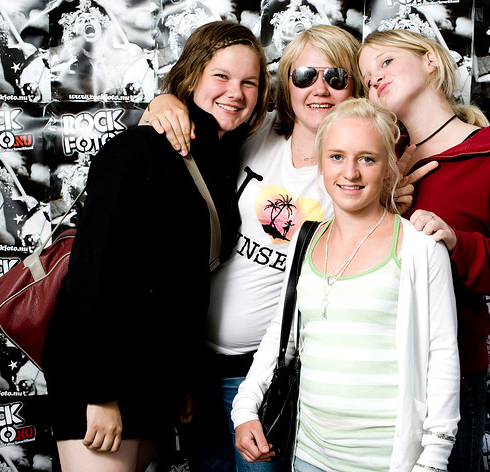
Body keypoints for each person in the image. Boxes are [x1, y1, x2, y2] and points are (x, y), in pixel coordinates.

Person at [141, 25, 431, 471]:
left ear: (354, 87)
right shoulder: (249, 134)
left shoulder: (354, 173)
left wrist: (390, 198)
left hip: (267, 375)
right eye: (305, 76)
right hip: (195, 363)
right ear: (286, 84)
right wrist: (163, 103)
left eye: (336, 77)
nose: (320, 89)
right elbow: (191, 124)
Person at [41, 21, 270, 472]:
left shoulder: (219, 164)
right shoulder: (141, 147)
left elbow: (185, 285)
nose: (236, 92)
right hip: (103, 371)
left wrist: (183, 378)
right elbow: (93, 273)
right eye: (221, 76)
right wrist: (99, 393)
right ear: (191, 77)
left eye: (250, 82)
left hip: (156, 373)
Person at [232, 97, 459, 472]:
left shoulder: (420, 247)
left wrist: (432, 462)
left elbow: (443, 358)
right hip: (308, 455)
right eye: (337, 156)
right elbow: (281, 334)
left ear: (388, 168)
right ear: (321, 164)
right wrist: (244, 407)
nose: (350, 172)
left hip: (387, 461)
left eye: (367, 159)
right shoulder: (305, 239)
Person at [359, 29, 490, 472]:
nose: (375, 79)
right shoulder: (379, 158)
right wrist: (381, 208)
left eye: (386, 62)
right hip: (372, 364)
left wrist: (457, 242)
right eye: (366, 77)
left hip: (448, 373)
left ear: (430, 60)